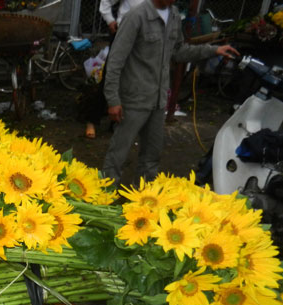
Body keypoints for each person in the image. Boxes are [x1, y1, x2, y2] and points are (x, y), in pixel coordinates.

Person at [102, 0, 239, 184]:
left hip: (158, 101)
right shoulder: (136, 16)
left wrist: (213, 50)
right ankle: (105, 197)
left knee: (152, 155)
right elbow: (115, 61)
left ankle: (143, 201)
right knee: (117, 154)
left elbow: (179, 51)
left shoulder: (174, 16)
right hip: (134, 99)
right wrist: (113, 100)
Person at [82, 0, 144, 139]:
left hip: (142, 39)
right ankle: (92, 120)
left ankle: (115, 124)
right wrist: (110, 21)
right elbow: (105, 2)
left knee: (131, 80)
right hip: (122, 34)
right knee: (109, 78)